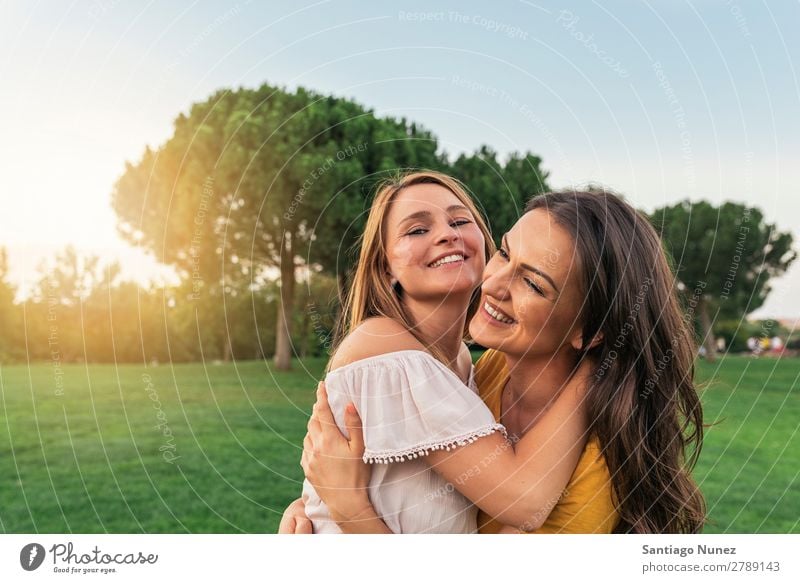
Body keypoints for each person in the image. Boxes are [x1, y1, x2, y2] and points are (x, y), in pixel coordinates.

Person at [284, 185, 706, 534]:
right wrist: (317, 508)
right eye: (505, 254)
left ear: (592, 332)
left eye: (533, 284)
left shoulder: (587, 467)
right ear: (385, 268)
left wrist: (349, 507)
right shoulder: (475, 371)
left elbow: (523, 503)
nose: (495, 284)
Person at [295, 170, 592, 534]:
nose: (447, 234)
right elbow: (524, 501)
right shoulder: (384, 346)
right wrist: (594, 368)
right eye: (417, 229)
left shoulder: (466, 364)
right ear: (386, 266)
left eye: (459, 221)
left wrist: (336, 505)